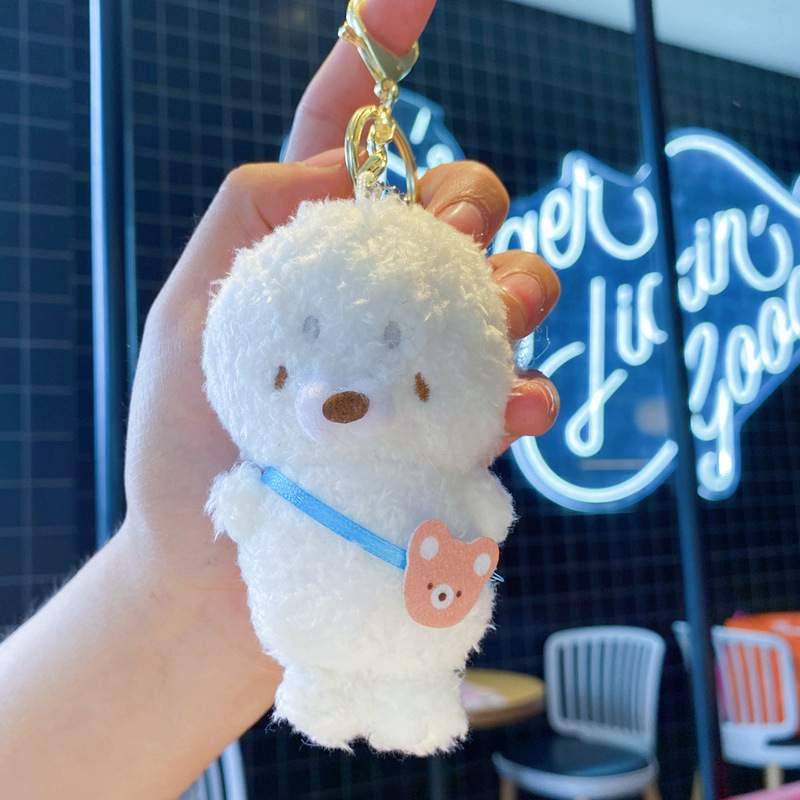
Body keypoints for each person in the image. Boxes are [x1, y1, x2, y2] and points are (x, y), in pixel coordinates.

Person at [0, 0, 560, 797]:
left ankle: (415, 692)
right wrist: (173, 580)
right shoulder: (254, 415)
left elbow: (484, 508)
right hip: (305, 626)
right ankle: (325, 683)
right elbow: (233, 506)